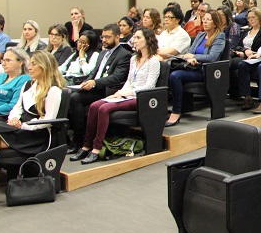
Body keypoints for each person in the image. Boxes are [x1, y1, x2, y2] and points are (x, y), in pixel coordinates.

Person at [70, 28, 160, 164]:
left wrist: (126, 93)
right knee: (94, 106)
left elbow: (149, 87)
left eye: (138, 38)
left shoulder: (153, 61)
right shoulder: (134, 59)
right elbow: (129, 81)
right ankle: (86, 146)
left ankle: (96, 148)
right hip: (126, 94)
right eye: (134, 37)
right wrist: (118, 93)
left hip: (140, 98)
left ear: (148, 40)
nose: (134, 40)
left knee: (104, 109)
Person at [0, 51, 66, 199]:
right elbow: (16, 108)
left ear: (44, 66)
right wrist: (13, 119)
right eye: (30, 63)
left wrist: (24, 125)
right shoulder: (28, 85)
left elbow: (48, 121)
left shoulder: (53, 90)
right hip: (20, 128)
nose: (29, 67)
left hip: (35, 134)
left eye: (34, 64)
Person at [66, 25, 132, 150]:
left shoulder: (124, 55)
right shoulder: (102, 53)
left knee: (75, 98)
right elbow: (94, 72)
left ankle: (79, 141)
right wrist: (86, 82)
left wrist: (95, 83)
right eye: (103, 37)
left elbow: (116, 77)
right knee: (67, 94)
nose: (104, 40)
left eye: (108, 37)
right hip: (95, 87)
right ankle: (69, 138)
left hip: (107, 90)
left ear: (117, 37)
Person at [166, 11, 226, 126]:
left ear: (215, 23)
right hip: (192, 67)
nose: (205, 21)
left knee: (175, 76)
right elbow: (189, 52)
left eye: (208, 19)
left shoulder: (219, 37)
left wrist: (194, 57)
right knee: (169, 70)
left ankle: (176, 111)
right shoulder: (201, 35)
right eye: (204, 19)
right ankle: (170, 107)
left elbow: (212, 57)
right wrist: (190, 58)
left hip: (205, 71)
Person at [0, 48, 31, 120]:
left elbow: (14, 105)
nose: (3, 63)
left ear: (20, 62)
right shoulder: (0, 77)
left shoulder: (24, 79)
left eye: (8, 60)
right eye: (3, 60)